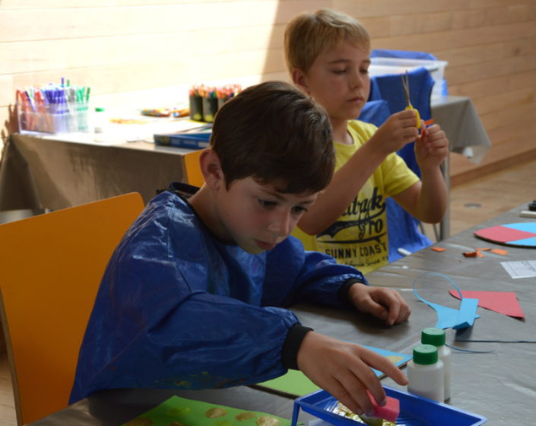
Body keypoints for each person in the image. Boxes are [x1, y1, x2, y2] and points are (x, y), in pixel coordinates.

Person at [70, 81, 411, 416]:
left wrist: (348, 288)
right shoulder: (157, 241)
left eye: (299, 208)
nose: (282, 227)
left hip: (198, 403)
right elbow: (177, 323)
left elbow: (295, 267)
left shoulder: (247, 229)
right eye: (267, 201)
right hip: (118, 411)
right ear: (214, 171)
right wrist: (294, 343)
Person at [284, 8, 449, 274]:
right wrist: (376, 149)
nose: (357, 83)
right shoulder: (293, 143)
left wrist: (430, 168)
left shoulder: (368, 136)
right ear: (302, 79)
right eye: (340, 70)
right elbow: (310, 220)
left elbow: (429, 212)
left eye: (364, 69)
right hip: (317, 291)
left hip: (373, 285)